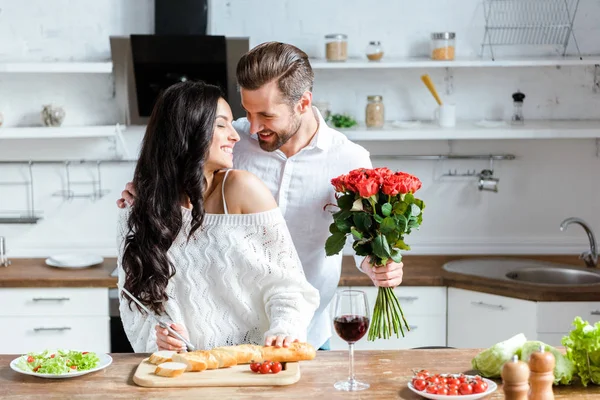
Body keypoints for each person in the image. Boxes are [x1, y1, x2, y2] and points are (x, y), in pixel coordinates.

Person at [118, 42, 403, 351]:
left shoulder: (348, 159)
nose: (252, 128)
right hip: (237, 328)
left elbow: (361, 236)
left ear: (303, 103)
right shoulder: (230, 141)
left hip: (307, 325)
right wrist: (145, 189)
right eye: (247, 112)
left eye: (265, 115)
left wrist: (376, 264)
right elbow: (180, 164)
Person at [117, 80, 319, 353]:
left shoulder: (242, 189)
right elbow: (134, 301)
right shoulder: (138, 208)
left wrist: (284, 330)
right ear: (187, 132)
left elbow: (287, 286)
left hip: (252, 366)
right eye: (222, 125)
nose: (235, 136)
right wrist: (161, 338)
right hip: (186, 374)